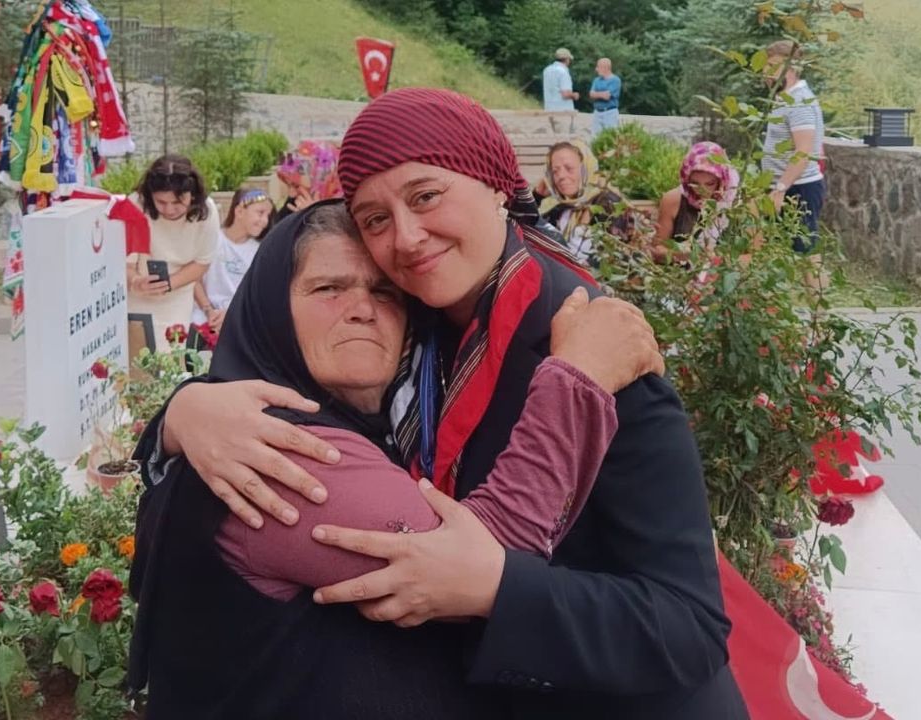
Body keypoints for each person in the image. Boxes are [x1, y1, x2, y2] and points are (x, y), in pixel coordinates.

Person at [139, 88, 747, 719]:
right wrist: (182, 414)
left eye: (426, 196)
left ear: (497, 186)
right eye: (375, 219)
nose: (406, 238)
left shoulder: (595, 351)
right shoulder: (419, 335)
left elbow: (688, 625)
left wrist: (500, 589)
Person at [130, 200, 658, 716]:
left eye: (384, 291)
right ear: (270, 310)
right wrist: (580, 378)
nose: (362, 308)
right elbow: (485, 559)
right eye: (328, 288)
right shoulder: (283, 452)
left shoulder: (370, 422)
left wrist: (177, 412)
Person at [126, 154, 217, 346]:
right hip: (135, 295)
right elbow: (124, 262)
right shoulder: (134, 205)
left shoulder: (206, 212)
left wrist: (167, 285)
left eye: (177, 202)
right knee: (138, 352)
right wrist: (136, 281)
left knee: (172, 352)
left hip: (178, 296)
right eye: (161, 202)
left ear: (192, 195)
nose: (169, 210)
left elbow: (202, 263)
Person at [762, 40, 826, 253]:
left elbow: (803, 151)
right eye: (765, 66)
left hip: (798, 189)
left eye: (772, 66)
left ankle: (814, 279)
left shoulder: (799, 102)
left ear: (792, 68)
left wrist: (781, 188)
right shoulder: (785, 99)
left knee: (802, 254)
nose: (765, 73)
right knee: (779, 252)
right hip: (783, 187)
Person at [192, 187, 272, 337]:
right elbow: (194, 278)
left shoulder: (260, 252)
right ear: (239, 211)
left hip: (240, 321)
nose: (265, 221)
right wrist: (209, 310)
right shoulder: (212, 239)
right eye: (260, 213)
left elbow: (258, 295)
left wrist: (231, 315)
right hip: (204, 316)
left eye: (268, 215)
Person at [538, 139, 631, 266]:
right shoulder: (561, 209)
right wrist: (537, 196)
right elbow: (527, 230)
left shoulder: (609, 205)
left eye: (569, 168)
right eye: (555, 171)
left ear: (586, 168)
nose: (561, 176)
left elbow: (610, 258)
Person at [655, 141, 741, 257]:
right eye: (695, 183)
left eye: (710, 184)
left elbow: (753, 255)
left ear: (721, 180)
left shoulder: (737, 203)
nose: (702, 190)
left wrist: (718, 260)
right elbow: (657, 249)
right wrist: (686, 256)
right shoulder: (673, 200)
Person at [275, 140, 342, 221]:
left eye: (296, 186)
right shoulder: (295, 201)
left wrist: (314, 214)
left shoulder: (346, 208)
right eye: (288, 186)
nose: (291, 194)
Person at [541, 48, 578, 133]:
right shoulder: (563, 72)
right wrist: (574, 95)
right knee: (564, 138)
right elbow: (565, 94)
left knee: (555, 138)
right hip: (563, 111)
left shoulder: (547, 70)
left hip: (549, 109)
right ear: (567, 59)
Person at [588, 57, 621, 136]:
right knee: (595, 137)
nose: (596, 69)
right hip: (597, 112)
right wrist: (601, 94)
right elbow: (591, 94)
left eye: (598, 67)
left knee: (610, 136)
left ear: (605, 68)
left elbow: (607, 96)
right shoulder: (596, 80)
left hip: (610, 112)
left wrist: (596, 94)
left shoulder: (615, 80)